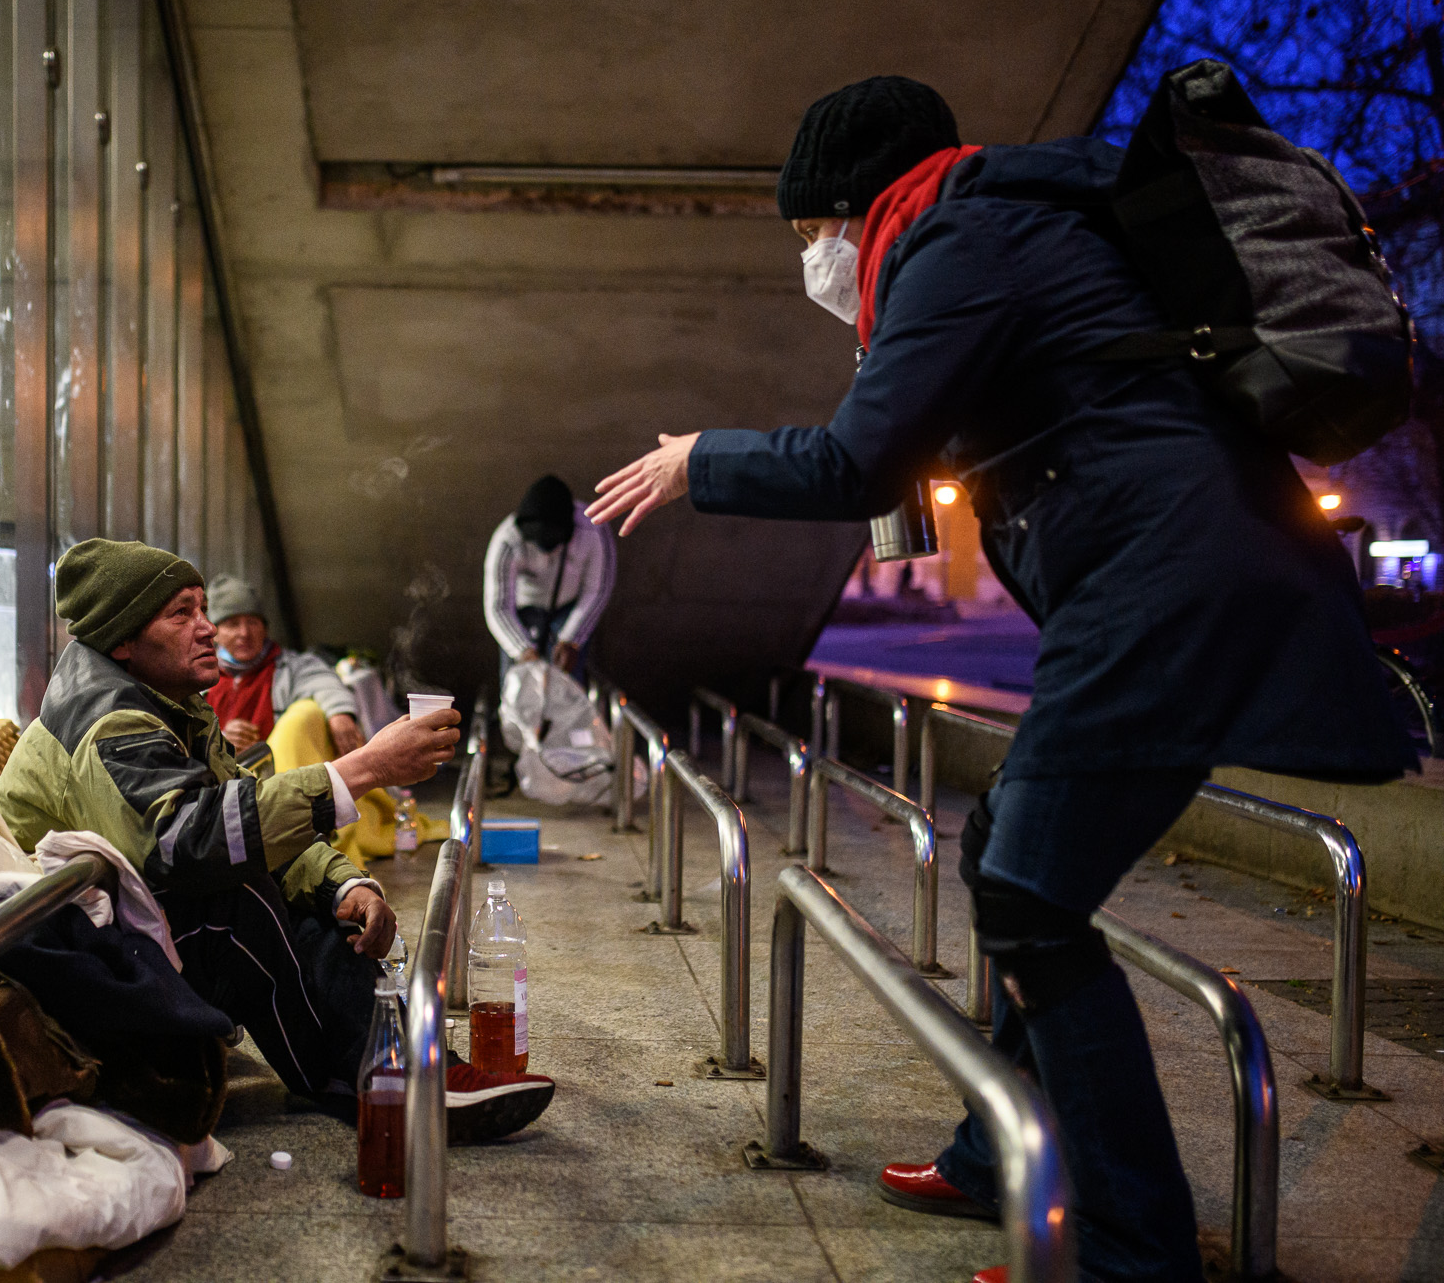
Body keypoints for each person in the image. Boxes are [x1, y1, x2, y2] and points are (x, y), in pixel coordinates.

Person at [587, 76, 1413, 1283]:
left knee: (1029, 892)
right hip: (1154, 581)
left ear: (850, 202)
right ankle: (996, 1153)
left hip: (1167, 587)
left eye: (811, 231)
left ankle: (1133, 1247)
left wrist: (696, 457)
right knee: (1000, 862)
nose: (812, 257)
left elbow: (855, 458)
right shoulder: (985, 232)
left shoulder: (963, 236)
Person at [0, 539, 554, 1140]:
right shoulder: (112, 721)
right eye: (182, 614)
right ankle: (380, 1083)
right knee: (240, 902)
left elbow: (241, 802)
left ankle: (407, 1066)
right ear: (123, 639)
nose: (208, 630)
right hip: (75, 969)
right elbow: (192, 839)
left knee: (323, 902)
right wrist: (363, 769)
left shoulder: (167, 702)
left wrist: (345, 881)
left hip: (122, 938)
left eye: (204, 608)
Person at [204, 574, 417, 865]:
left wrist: (340, 713)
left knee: (305, 713)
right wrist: (220, 739)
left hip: (278, 781)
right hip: (225, 789)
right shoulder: (201, 673)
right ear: (213, 631)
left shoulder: (289, 666)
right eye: (232, 624)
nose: (244, 633)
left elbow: (322, 680)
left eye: (253, 622)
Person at [484, 474, 616, 678]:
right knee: (518, 681)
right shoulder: (507, 541)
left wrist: (571, 639)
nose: (545, 554)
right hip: (523, 612)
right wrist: (522, 650)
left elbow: (596, 590)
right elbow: (498, 606)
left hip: (569, 609)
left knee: (567, 678)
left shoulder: (592, 530)